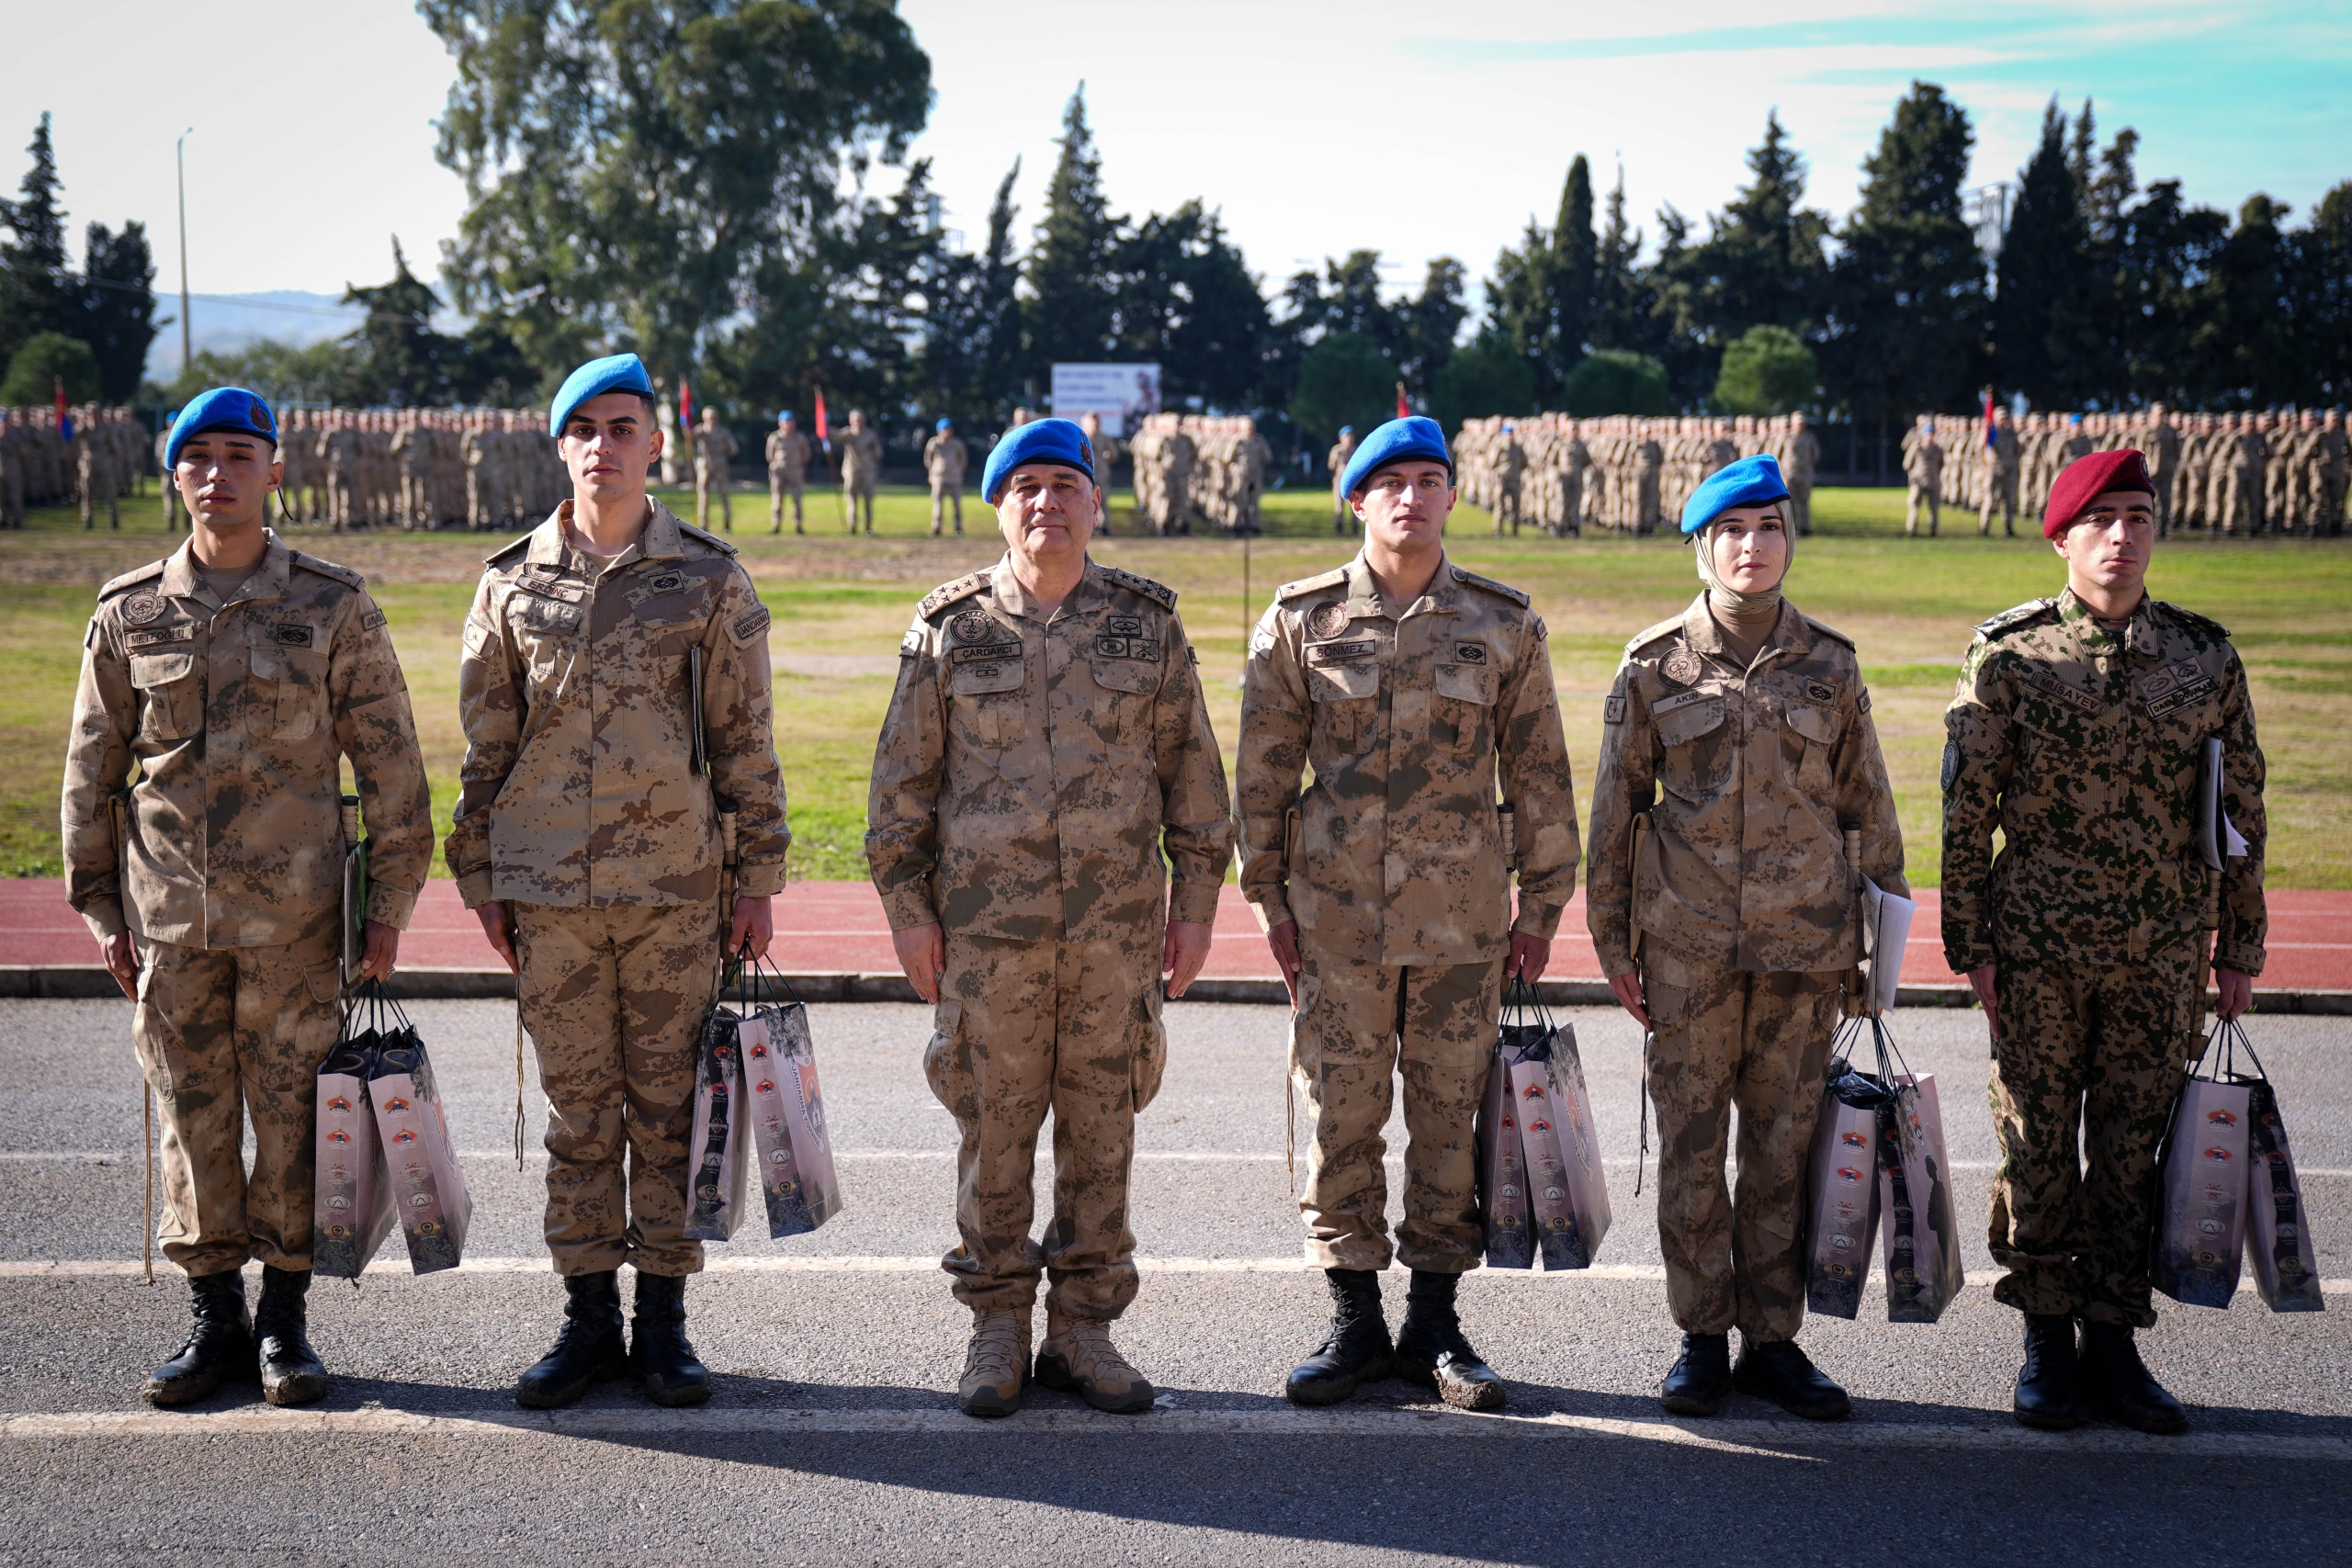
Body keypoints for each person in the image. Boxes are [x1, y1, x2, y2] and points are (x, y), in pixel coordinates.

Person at [60, 387, 432, 1408]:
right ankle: (212, 1320)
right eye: (198, 456)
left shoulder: (331, 604)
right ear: (173, 474)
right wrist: (99, 910)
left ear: (275, 471)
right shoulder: (129, 612)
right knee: (193, 1120)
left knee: (296, 1120)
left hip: (301, 925)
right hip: (172, 924)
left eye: (239, 454)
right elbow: (91, 772)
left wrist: (388, 909)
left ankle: (286, 1326)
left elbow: (393, 767)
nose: (217, 473)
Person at [867, 418, 1232, 1420]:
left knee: (1102, 1129)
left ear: (1094, 501)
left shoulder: (1144, 624)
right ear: (998, 504)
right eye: (1024, 485)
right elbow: (900, 788)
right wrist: (908, 915)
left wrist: (1195, 909)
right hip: (988, 939)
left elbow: (1195, 784)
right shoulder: (950, 628)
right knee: (993, 1131)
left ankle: (1084, 1327)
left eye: (1065, 484)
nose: (1046, 503)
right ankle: (996, 1321)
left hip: (1114, 938)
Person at [447, 354, 790, 1412]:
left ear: (655, 442)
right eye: (584, 427)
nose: (604, 444)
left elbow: (745, 740)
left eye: (624, 426)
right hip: (549, 895)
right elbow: (484, 744)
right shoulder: (510, 582)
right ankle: (587, 1317)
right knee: (578, 1115)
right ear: (561, 446)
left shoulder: (709, 579)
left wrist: (756, 876)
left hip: (675, 893)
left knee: (672, 1114)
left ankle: (666, 1325)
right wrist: (482, 876)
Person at [1235, 416, 1580, 1413]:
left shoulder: (1501, 621)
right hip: (1335, 923)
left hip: (1464, 925)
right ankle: (1353, 1323)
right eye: (1390, 482)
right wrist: (1267, 900)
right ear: (1357, 500)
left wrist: (1544, 905)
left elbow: (1541, 774)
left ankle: (1435, 1322)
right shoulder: (1301, 620)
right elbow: (1260, 774)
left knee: (1447, 1122)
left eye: (1430, 480)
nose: (1411, 497)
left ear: (1450, 498)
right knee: (1340, 1116)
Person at [1942, 447, 2266, 1436]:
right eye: (2101, 520)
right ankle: (2044, 1336)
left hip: (2160, 950)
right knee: (2036, 1147)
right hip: (2037, 951)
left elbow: (2240, 806)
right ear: (2062, 538)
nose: (2121, 536)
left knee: (2132, 1152)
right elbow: (1966, 813)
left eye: (2138, 516)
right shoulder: (2008, 655)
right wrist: (1972, 946)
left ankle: (2113, 1342)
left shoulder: (2204, 656)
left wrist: (2238, 947)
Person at [1587, 453, 1905, 1424]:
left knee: (1781, 1152)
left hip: (1806, 957)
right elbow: (1614, 815)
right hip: (1686, 955)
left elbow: (1870, 810)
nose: (1751, 547)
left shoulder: (1830, 664)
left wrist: (1877, 949)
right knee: (1689, 1151)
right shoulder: (1652, 667)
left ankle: (1773, 1340)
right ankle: (1698, 1336)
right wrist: (1613, 946)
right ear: (1699, 546)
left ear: (1788, 539)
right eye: (1730, 531)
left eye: (1768, 528)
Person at [692, 406, 739, 533]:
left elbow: (734, 448)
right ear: (704, 418)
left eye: (713, 417)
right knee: (703, 497)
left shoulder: (723, 432)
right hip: (705, 466)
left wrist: (723, 454)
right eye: (709, 417)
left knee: (724, 496)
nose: (711, 420)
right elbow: (689, 436)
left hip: (721, 466)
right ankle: (703, 525)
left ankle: (727, 525)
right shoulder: (700, 431)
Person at [765, 412, 810, 535]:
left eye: (791, 421)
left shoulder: (800, 437)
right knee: (777, 499)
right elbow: (769, 455)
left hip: (795, 472)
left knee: (797, 500)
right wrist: (776, 465)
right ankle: (776, 525)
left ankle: (798, 525)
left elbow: (806, 454)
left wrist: (798, 464)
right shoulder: (774, 437)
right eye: (786, 421)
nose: (789, 424)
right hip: (779, 472)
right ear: (780, 423)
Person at [923, 417, 968, 536]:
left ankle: (958, 527)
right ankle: (936, 527)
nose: (946, 432)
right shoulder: (934, 443)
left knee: (956, 504)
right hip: (939, 477)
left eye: (948, 429)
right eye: (944, 430)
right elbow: (928, 458)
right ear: (939, 431)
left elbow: (963, 459)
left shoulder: (957, 444)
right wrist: (932, 471)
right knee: (938, 503)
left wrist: (958, 471)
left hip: (954, 477)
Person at [841, 410, 882, 535]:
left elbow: (878, 452)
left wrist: (870, 460)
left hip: (867, 471)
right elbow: (834, 435)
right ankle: (852, 526)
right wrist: (823, 428)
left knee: (868, 499)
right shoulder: (847, 434)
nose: (858, 423)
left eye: (860, 420)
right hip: (852, 470)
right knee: (851, 498)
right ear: (851, 421)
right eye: (856, 421)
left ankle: (868, 526)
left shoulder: (870, 435)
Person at [1904, 417, 1944, 536]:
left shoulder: (1938, 449)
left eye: (1932, 433)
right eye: (1928, 433)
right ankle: (1912, 529)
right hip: (1918, 481)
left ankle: (1933, 530)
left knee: (1934, 508)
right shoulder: (1917, 448)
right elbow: (1907, 464)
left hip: (1933, 481)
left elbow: (1941, 464)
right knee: (1914, 506)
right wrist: (1913, 475)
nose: (1930, 436)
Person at [1326, 425, 1358, 535]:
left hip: (1354, 480)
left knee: (1355, 504)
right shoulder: (1337, 449)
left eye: (1351, 435)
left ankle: (1355, 529)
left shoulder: (1356, 450)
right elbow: (1331, 466)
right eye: (1346, 436)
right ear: (1341, 438)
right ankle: (1339, 530)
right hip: (1339, 479)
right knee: (1339, 506)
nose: (1349, 438)